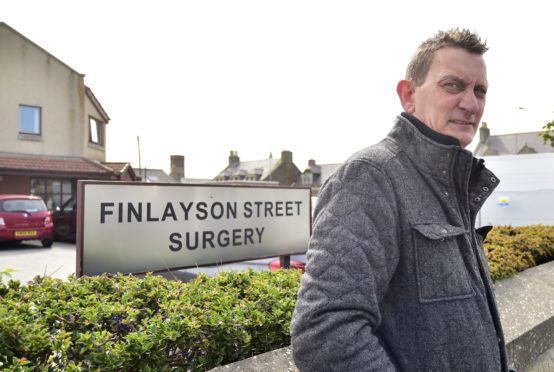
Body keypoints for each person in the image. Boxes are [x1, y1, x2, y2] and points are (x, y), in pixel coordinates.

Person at [291, 29, 509, 371]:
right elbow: (324, 335)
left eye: (479, 90)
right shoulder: (370, 178)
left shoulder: (452, 186)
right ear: (408, 95)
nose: (471, 104)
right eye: (453, 85)